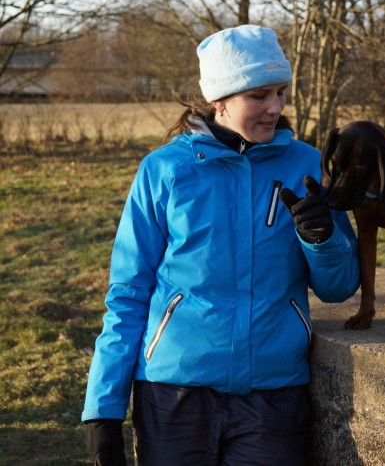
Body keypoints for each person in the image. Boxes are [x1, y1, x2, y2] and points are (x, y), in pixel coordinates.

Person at [82, 24, 360, 465]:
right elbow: (128, 292)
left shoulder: (306, 164)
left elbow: (339, 287)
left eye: (281, 92)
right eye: (259, 95)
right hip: (173, 394)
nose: (275, 107)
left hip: (273, 395)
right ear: (220, 100)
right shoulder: (165, 170)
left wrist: (322, 240)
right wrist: (103, 408)